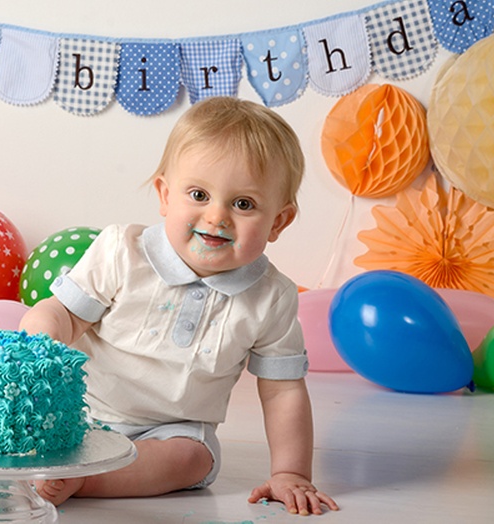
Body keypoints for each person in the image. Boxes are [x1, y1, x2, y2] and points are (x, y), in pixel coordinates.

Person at [19, 96, 338, 516]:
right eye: (199, 194)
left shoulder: (270, 296)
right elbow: (62, 313)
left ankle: (83, 478)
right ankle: (59, 459)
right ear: (165, 195)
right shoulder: (122, 251)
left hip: (172, 430)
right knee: (29, 423)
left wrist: (291, 473)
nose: (217, 216)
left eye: (243, 204)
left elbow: (282, 392)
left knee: (194, 460)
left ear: (278, 221)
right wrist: (42, 344)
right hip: (83, 409)